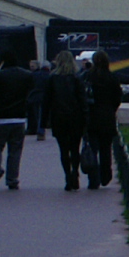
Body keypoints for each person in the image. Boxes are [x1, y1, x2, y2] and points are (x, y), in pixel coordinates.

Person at [0, 50, 34, 191]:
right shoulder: (26, 75)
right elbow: (30, 92)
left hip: (0, 117)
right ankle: (12, 180)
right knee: (15, 150)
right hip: (19, 117)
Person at [43, 50, 90, 191]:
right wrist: (86, 118)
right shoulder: (77, 78)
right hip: (76, 117)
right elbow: (82, 100)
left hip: (58, 117)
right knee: (75, 148)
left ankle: (68, 176)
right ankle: (75, 172)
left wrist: (43, 121)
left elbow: (47, 101)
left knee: (63, 150)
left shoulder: (52, 78)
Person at [82, 53, 124, 188]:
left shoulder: (87, 76)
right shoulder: (112, 77)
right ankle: (106, 174)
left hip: (91, 116)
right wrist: (111, 109)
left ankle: (93, 179)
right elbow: (118, 98)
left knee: (92, 148)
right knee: (106, 148)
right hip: (107, 117)